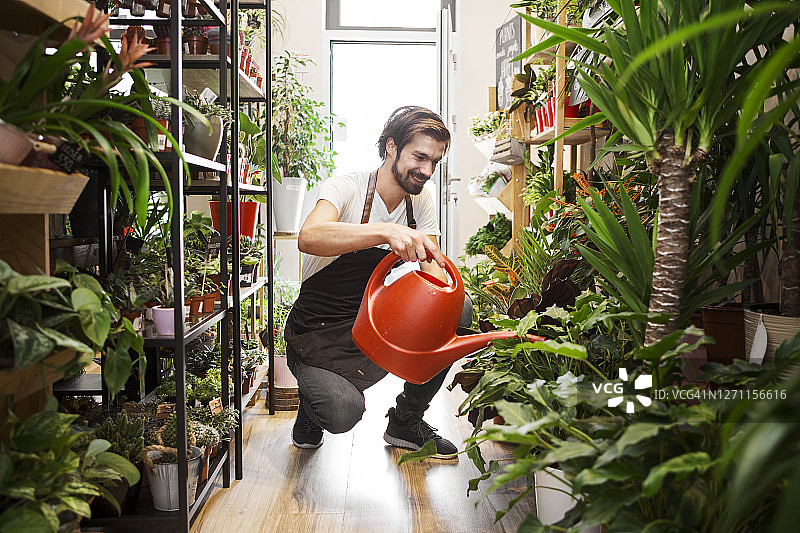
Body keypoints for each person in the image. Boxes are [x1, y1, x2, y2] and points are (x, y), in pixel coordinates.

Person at [280, 105, 472, 459]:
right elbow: (309, 236)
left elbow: (436, 275)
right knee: (341, 413)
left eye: (435, 162)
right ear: (391, 147)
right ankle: (310, 409)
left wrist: (443, 309)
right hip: (319, 333)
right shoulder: (348, 187)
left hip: (373, 324)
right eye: (419, 157)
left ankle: (406, 420)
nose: (427, 170)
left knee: (458, 308)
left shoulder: (420, 201)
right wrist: (384, 231)